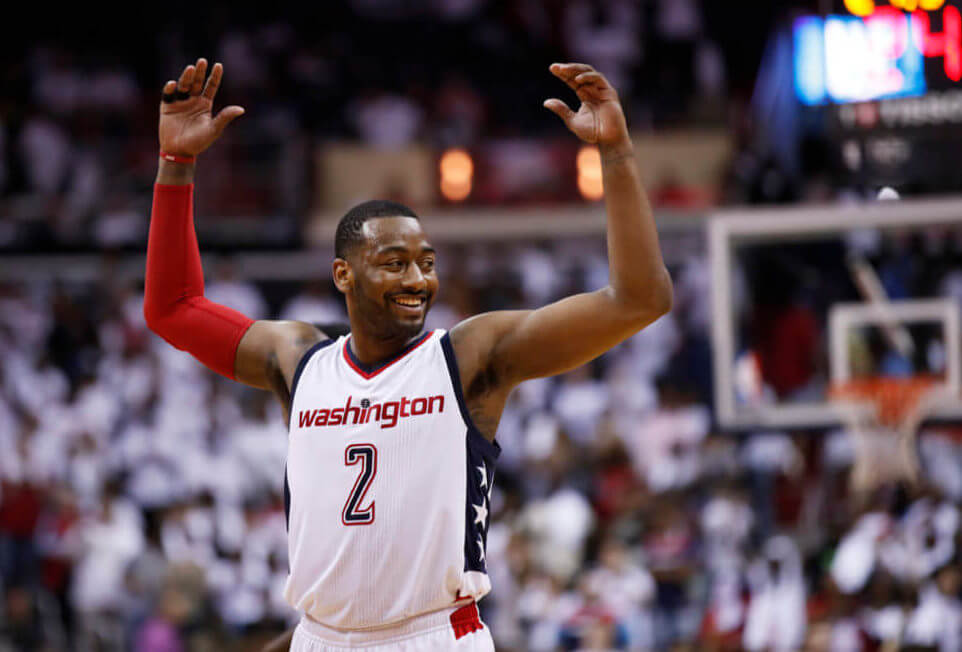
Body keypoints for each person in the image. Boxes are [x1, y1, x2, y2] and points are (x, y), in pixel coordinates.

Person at [144, 57, 672, 652]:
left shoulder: (471, 357)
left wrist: (618, 154)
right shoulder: (299, 361)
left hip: (431, 636)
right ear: (343, 274)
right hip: (320, 638)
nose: (418, 279)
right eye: (395, 262)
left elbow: (639, 299)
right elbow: (173, 306)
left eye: (427, 262)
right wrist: (176, 164)